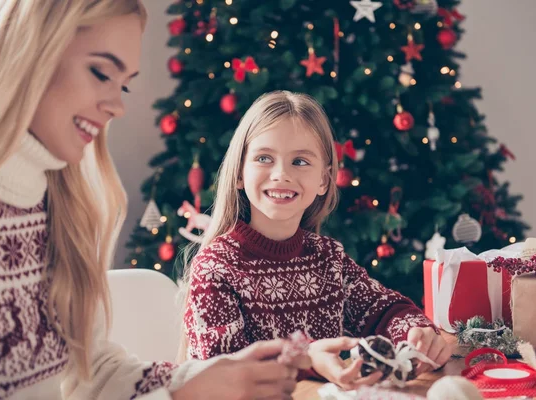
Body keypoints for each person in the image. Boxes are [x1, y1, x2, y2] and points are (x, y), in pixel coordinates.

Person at [0, 2, 308, 399]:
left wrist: (207, 377)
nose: (117, 106)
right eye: (100, 73)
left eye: (122, 84)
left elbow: (94, 373)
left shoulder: (62, 207)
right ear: (27, 52)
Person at [183, 91, 452, 390]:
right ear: (239, 173)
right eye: (263, 158)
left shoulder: (328, 258)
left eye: (299, 161)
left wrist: (416, 331)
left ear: (324, 180)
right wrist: (306, 358)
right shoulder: (215, 268)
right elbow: (225, 374)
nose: (281, 174)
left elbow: (385, 309)